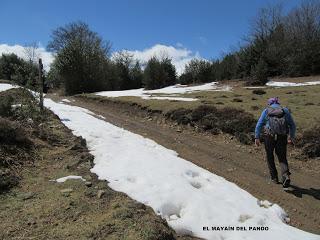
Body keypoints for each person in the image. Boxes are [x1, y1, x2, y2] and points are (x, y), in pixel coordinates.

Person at [255, 97, 296, 188]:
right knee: (282, 157)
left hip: (269, 136)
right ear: (278, 103)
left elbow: (259, 124)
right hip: (282, 137)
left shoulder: (266, 111)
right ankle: (285, 175)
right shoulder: (285, 110)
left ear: (269, 104)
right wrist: (291, 137)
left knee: (270, 156)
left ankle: (274, 178)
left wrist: (257, 137)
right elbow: (292, 125)